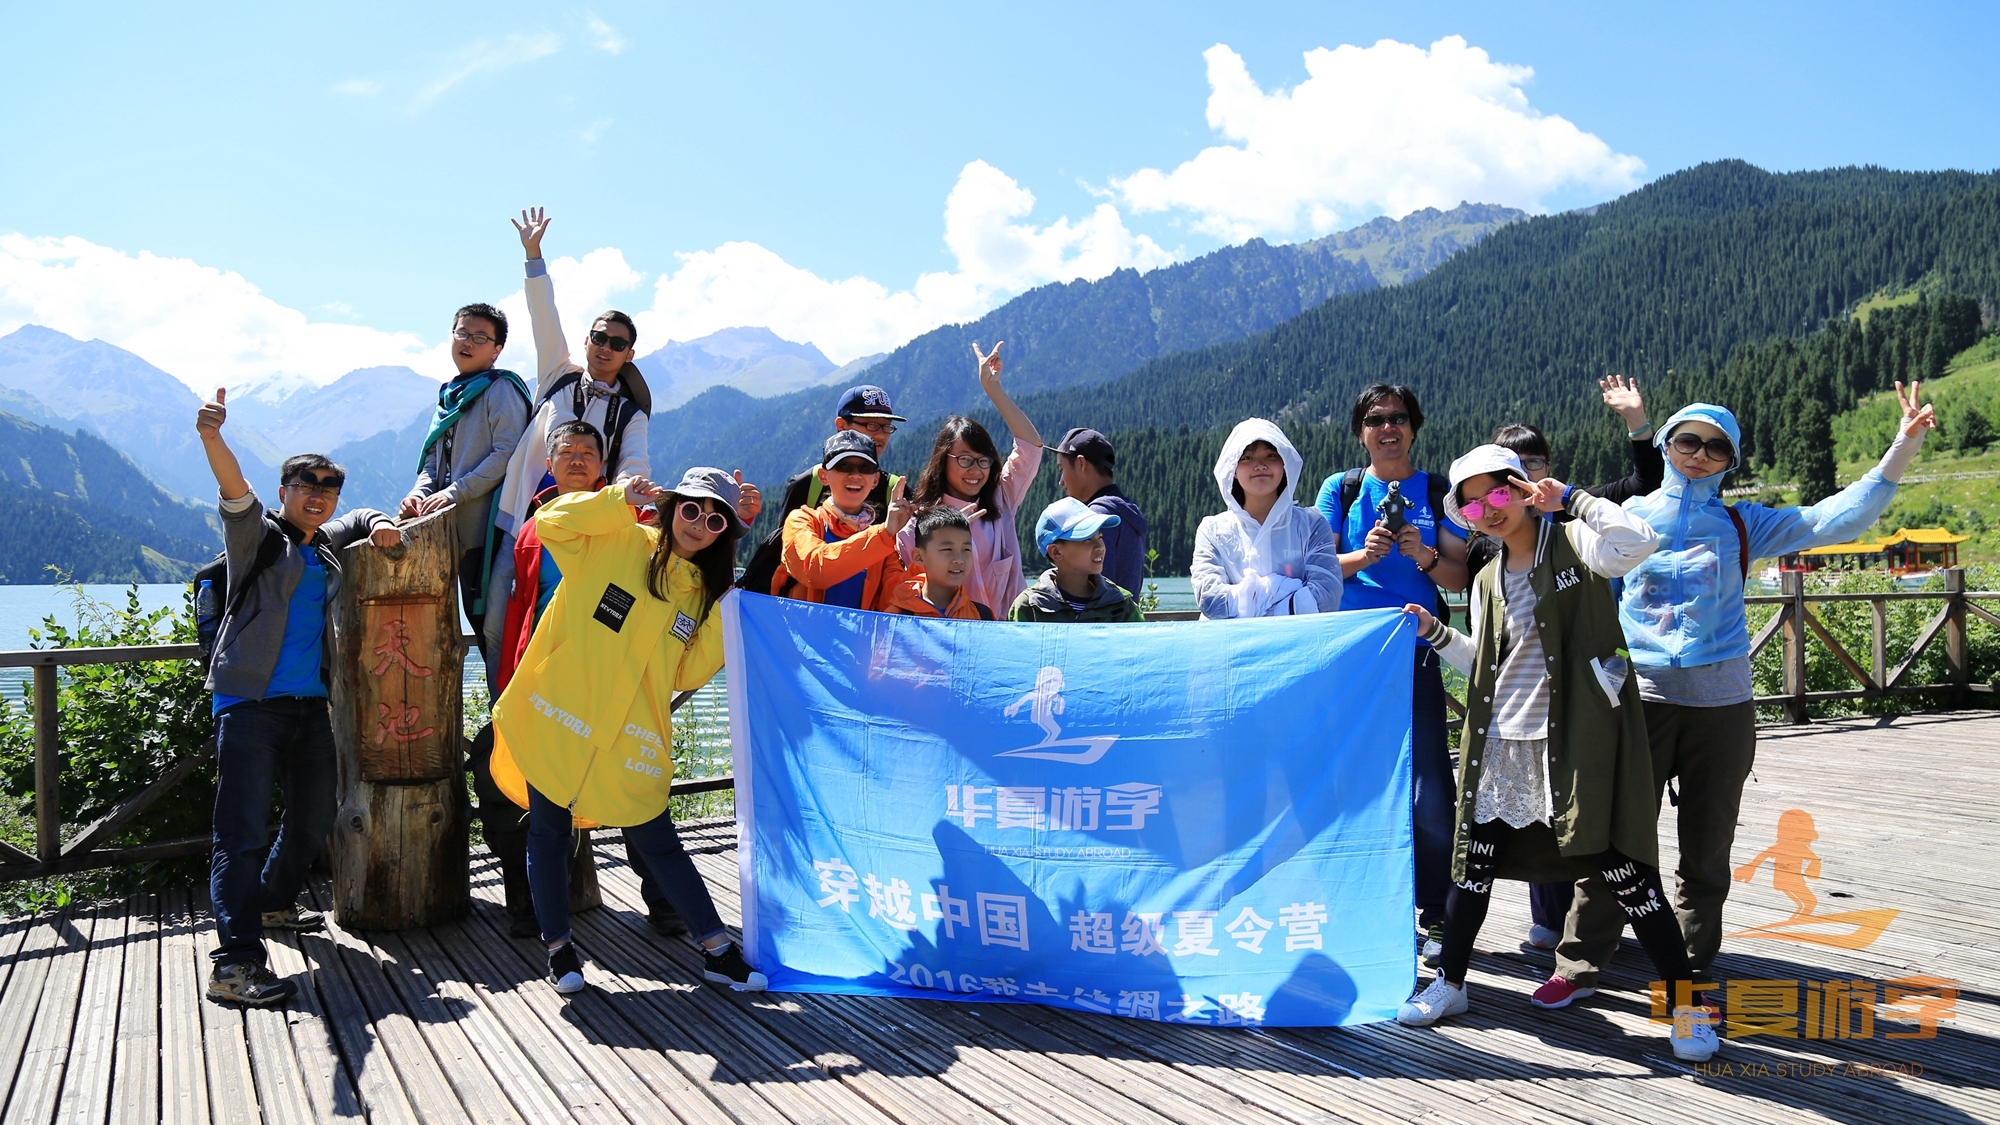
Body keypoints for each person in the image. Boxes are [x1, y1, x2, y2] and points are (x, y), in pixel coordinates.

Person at [1541, 383, 1935, 1013]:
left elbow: (1841, 516)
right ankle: (1580, 962)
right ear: (1666, 446)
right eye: (1688, 441)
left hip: (1721, 706)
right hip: (1639, 696)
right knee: (1615, 840)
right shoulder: (1634, 511)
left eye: (1716, 448)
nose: (1699, 454)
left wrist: (1902, 446)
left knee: (1707, 845)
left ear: (1731, 461)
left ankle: (1689, 970)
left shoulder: (1742, 521)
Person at [1391, 444, 1721, 1063]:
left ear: (1521, 489)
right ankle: (1451, 984)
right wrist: (1438, 635)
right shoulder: (1487, 578)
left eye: (1498, 492)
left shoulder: (1576, 543)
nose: (1488, 510)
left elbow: (1638, 541)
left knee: (1624, 871)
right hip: (1505, 747)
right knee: (1474, 866)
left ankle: (1688, 1005)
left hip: (1574, 744)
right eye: (1472, 502)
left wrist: (1573, 499)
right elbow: (1491, 664)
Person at [489, 469, 766, 994]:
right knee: (548, 832)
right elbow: (550, 524)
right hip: (559, 716)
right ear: (672, 505)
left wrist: (720, 622)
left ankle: (715, 949)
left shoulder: (700, 589)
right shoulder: (619, 538)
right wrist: (616, 500)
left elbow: (682, 674)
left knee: (659, 840)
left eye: (715, 520)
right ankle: (559, 951)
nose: (699, 525)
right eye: (691, 509)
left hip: (630, 736)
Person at [195, 387, 401, 1006]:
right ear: (282, 492)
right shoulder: (257, 537)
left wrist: (382, 522)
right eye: (304, 485)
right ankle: (233, 964)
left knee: (313, 819)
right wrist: (212, 437)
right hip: (250, 707)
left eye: (327, 488)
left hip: (311, 707)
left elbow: (361, 517)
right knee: (241, 834)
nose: (317, 495)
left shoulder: (325, 545)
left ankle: (273, 902)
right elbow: (235, 491)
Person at [1467, 375, 1663, 949]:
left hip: (1585, 699)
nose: (1526, 473)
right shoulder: (1488, 547)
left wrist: (1635, 427)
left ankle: (1603, 943)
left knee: (1587, 820)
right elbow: (1484, 644)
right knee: (1530, 826)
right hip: (1515, 715)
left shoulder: (1572, 528)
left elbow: (1642, 486)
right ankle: (1549, 929)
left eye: (1535, 461)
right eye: (1514, 465)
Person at [1314, 384, 1468, 965]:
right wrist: (1367, 556)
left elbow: (1457, 578)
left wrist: (1420, 555)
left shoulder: (1437, 490)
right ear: (1360, 431)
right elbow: (1320, 567)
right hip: (1351, 653)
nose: (1387, 428)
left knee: (1431, 787)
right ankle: (1360, 900)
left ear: (1414, 427)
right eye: (1375, 420)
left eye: (1398, 418)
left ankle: (1434, 910)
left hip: (1417, 647)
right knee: (1351, 781)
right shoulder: (1343, 488)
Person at [491, 208, 655, 685]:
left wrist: (630, 490)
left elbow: (632, 462)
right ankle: (505, 708)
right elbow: (544, 316)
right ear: (587, 340)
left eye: (618, 343)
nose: (606, 347)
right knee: (504, 612)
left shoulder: (632, 414)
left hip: (592, 529)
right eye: (599, 337)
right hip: (526, 516)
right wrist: (533, 254)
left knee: (577, 622)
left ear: (629, 354)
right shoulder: (556, 376)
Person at [399, 301, 531, 673]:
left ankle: (508, 720)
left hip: (490, 536)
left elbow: (508, 454)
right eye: (462, 333)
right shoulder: (450, 396)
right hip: (450, 537)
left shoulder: (501, 390)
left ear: (497, 349)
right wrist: (419, 494)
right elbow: (432, 465)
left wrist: (453, 493)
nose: (468, 342)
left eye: (480, 337)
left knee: (498, 634)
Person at [896, 341, 1044, 613]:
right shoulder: (920, 520)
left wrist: (993, 388)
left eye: (983, 460)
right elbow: (897, 576)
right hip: (951, 636)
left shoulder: (1002, 498)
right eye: (964, 460)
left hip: (1007, 635)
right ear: (943, 461)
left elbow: (1031, 447)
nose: (975, 470)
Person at [738, 383, 910, 595]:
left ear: (874, 480)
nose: (881, 435)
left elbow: (897, 580)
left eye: (886, 427)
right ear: (841, 425)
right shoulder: (804, 489)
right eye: (871, 425)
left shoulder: (897, 491)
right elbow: (791, 556)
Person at [1191, 418, 1341, 619]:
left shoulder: (1312, 524)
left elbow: (1326, 597)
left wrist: (1245, 597)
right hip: (1230, 647)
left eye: (1271, 456)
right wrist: (1288, 592)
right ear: (1232, 469)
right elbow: (1211, 601)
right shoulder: (1212, 530)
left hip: (1297, 647)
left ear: (1285, 463)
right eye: (1247, 458)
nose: (1260, 465)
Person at [776, 431, 914, 607]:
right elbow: (817, 570)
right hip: (802, 634)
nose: (855, 475)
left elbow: (896, 596)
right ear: (823, 476)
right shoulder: (801, 520)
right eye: (844, 466)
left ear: (875, 480)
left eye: (865, 468)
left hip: (857, 636)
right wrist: (884, 533)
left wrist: (926, 555)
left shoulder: (884, 541)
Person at [1009, 498, 1144, 623]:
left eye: (1100, 537)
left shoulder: (1122, 604)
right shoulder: (1028, 606)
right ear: (1056, 552)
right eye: (1087, 539)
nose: (1100, 547)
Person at [1053, 427, 1149, 595]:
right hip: (1127, 619)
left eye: (1062, 469)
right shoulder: (1126, 511)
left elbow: (1096, 591)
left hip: (1100, 621)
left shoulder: (1097, 517)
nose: (1061, 481)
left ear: (1081, 463)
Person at [887, 506, 996, 619]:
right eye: (947, 549)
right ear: (919, 557)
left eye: (966, 549)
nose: (959, 559)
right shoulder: (897, 616)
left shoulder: (982, 616)